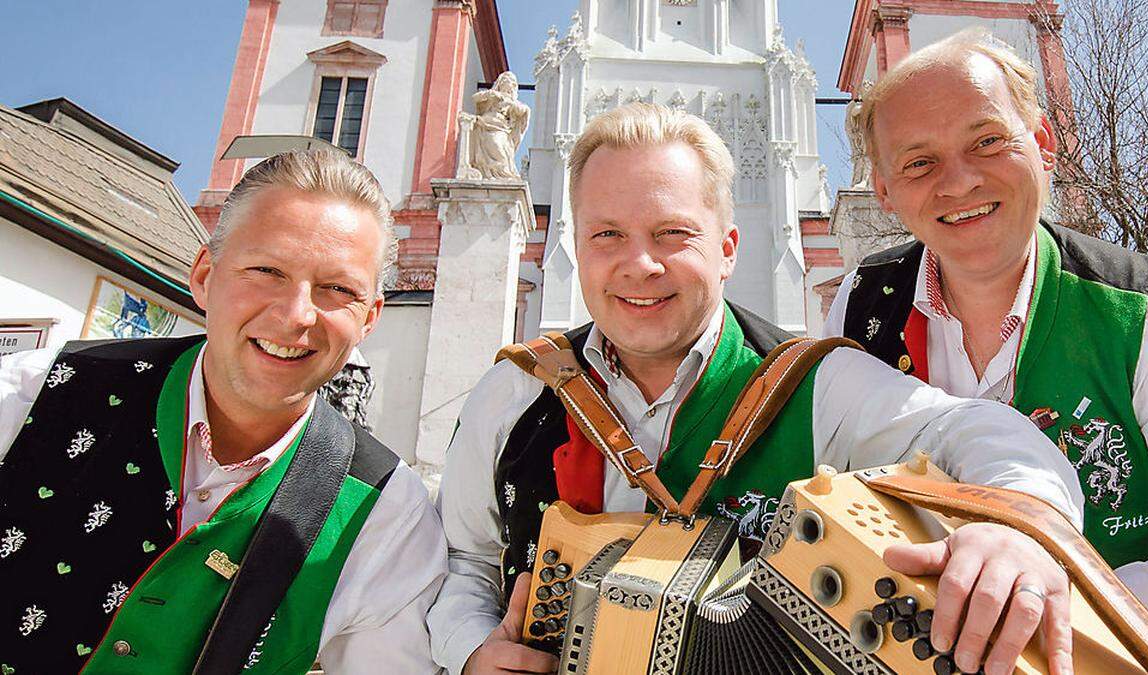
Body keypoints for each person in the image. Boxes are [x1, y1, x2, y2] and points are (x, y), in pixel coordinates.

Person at [428, 103, 1086, 675]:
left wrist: (1016, 528)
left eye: (672, 233)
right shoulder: (513, 392)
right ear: (579, 246)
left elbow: (977, 431)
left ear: (728, 248)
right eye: (608, 235)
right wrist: (470, 650)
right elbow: (466, 559)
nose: (640, 263)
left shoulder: (811, 383)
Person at [0, 149, 446, 672]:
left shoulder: (386, 513)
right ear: (205, 277)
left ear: (369, 317)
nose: (296, 315)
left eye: (338, 289)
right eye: (266, 270)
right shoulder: (32, 396)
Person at [824, 30, 1148, 651]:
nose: (960, 181)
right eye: (919, 162)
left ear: (1043, 145)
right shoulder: (861, 304)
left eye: (988, 141)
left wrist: (1045, 616)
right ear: (884, 191)